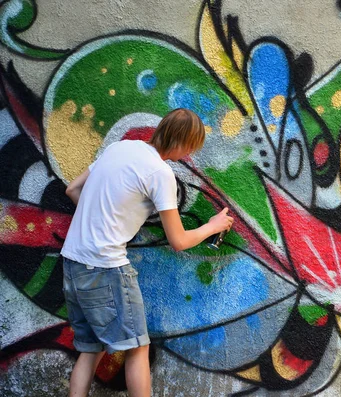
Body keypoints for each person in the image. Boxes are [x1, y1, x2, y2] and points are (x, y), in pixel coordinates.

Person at [60, 108, 233, 397]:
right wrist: (211, 226)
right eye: (192, 146)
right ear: (182, 142)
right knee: (137, 348)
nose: (191, 153)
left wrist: (100, 220)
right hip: (106, 268)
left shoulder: (120, 147)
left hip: (73, 262)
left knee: (91, 350)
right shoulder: (159, 172)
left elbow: (72, 189)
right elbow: (178, 241)